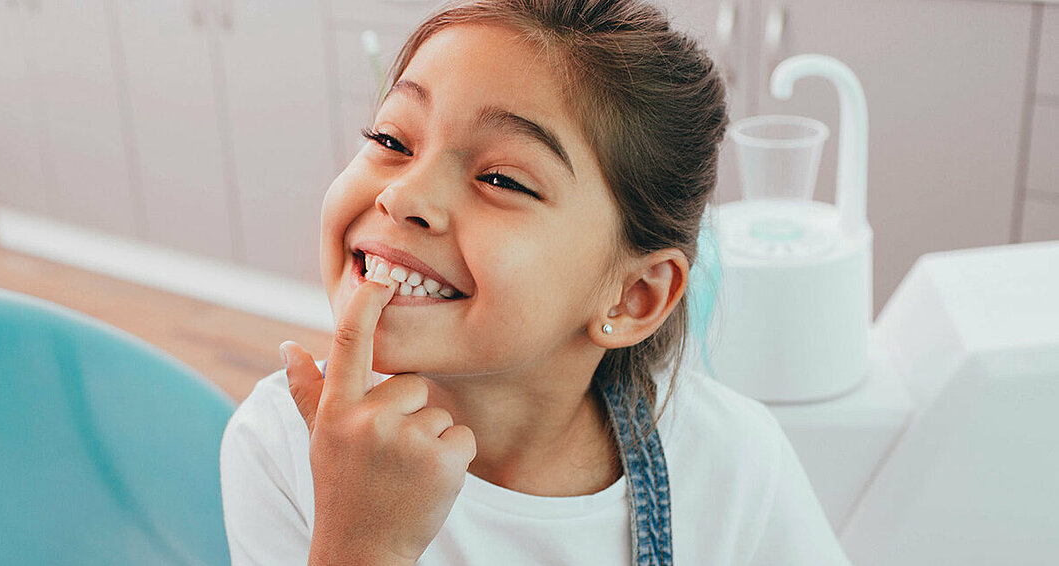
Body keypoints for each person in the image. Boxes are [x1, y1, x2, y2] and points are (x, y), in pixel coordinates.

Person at [220, 0, 850, 563]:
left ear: (634, 297)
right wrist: (360, 548)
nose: (403, 194)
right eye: (391, 138)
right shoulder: (280, 447)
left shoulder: (736, 463)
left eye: (502, 180)